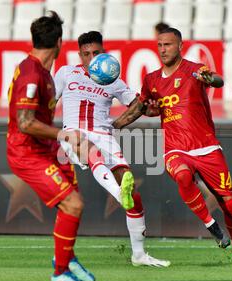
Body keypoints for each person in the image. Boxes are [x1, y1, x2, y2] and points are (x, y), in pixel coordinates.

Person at [113, 28, 232, 267]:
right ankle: (211, 225)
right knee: (182, 175)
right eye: (160, 45)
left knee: (229, 203)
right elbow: (143, 108)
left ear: (180, 46)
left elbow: (218, 80)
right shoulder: (151, 80)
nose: (163, 50)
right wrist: (116, 124)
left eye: (168, 45)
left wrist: (210, 79)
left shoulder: (194, 70)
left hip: (206, 147)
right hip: (175, 147)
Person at [54, 31, 170, 267]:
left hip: (104, 135)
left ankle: (139, 255)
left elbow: (141, 107)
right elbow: (48, 102)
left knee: (132, 192)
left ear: (104, 52)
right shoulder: (66, 73)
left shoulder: (113, 80)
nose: (92, 58)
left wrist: (153, 107)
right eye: (86, 54)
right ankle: (119, 195)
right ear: (79, 55)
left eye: (96, 53)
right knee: (90, 149)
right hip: (73, 133)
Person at [7, 11, 94, 281]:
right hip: (27, 153)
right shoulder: (32, 74)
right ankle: (60, 273)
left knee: (73, 201)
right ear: (59, 42)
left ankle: (65, 259)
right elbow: (25, 123)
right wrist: (64, 135)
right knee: (73, 204)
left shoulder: (41, 71)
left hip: (44, 148)